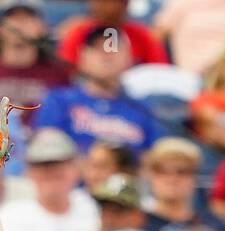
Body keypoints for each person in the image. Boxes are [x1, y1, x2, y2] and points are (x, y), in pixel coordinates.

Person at [33, 27, 156, 156]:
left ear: (129, 58)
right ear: (82, 57)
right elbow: (45, 151)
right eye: (98, 49)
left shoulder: (143, 109)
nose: (107, 55)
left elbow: (151, 161)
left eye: (114, 48)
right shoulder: (59, 101)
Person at [0, 0, 72, 107]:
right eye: (14, 18)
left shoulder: (60, 73)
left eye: (28, 18)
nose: (20, 24)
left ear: (43, 27)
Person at [56, 0, 170, 68]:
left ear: (125, 4)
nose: (102, 7)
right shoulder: (79, 32)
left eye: (110, 2)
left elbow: (159, 70)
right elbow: (67, 68)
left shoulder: (141, 34)